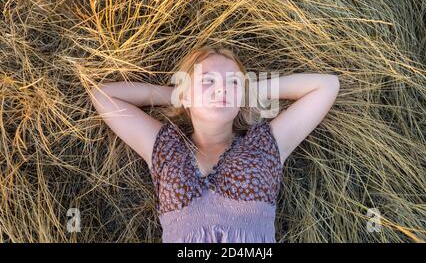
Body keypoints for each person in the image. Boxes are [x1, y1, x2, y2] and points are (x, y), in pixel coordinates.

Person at [89, 44, 340, 242]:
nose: (221, 89)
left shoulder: (265, 145)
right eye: (208, 81)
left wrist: (247, 92)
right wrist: (180, 96)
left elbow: (326, 85)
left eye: (232, 82)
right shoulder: (164, 147)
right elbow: (103, 94)